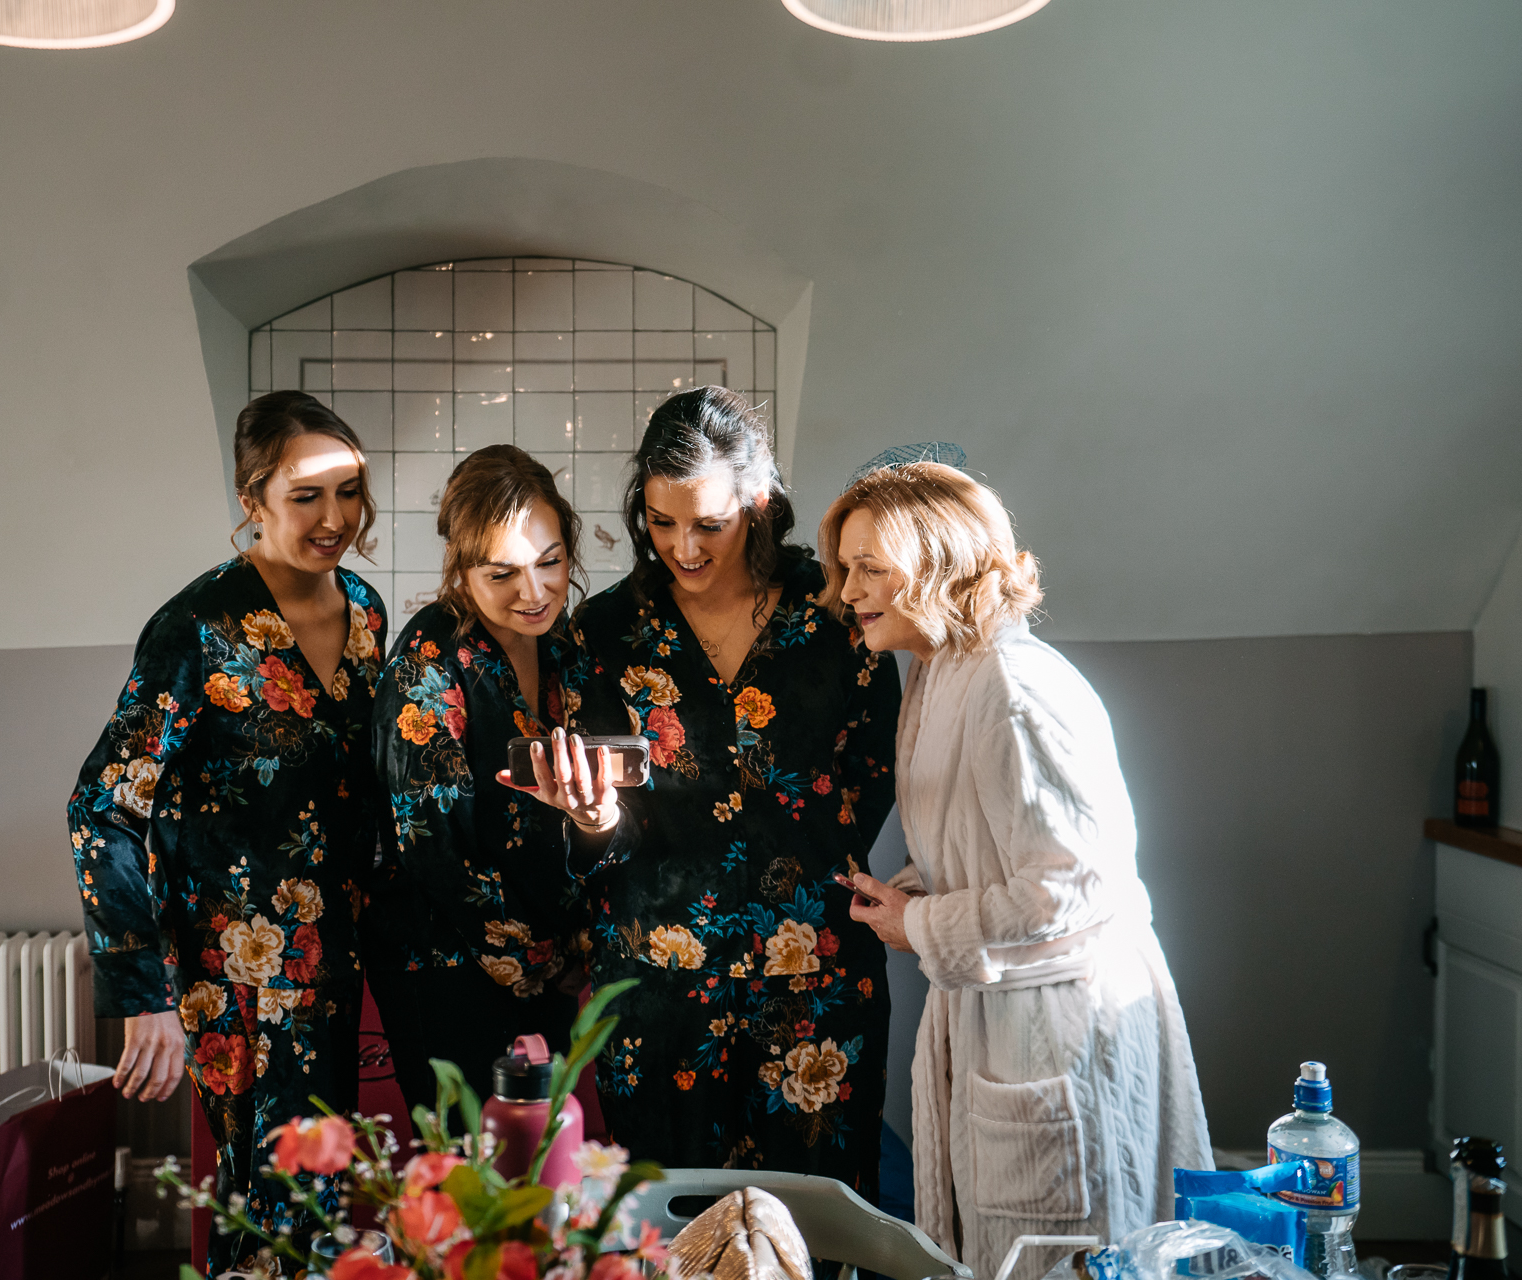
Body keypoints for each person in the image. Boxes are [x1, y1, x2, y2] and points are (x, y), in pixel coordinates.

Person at [819, 458, 1212, 1279]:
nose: (845, 590)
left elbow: (1071, 887)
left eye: (869, 568)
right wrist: (912, 896)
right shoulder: (943, 671)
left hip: (1056, 1033)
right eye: (844, 567)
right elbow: (996, 849)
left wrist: (919, 924)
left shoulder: (1013, 690)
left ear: (936, 564)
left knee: (1058, 1258)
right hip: (1009, 1017)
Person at [546, 386, 902, 1192]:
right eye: (663, 523)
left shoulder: (838, 614)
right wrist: (598, 822)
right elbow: (600, 813)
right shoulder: (603, 635)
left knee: (819, 1219)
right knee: (678, 1233)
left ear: (759, 503)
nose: (685, 547)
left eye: (709, 523)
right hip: (660, 989)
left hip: (813, 977)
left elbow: (876, 771)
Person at [67, 391, 387, 1277]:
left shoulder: (366, 610)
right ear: (252, 500)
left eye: (351, 492)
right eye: (308, 495)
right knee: (263, 1207)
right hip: (233, 972)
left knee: (317, 1204)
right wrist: (144, 996)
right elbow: (101, 807)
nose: (336, 519)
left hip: (334, 960)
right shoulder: (196, 629)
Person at [364, 445, 608, 1110]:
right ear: (462, 570)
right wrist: (536, 957)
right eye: (503, 574)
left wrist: (574, 941)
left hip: (550, 963)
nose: (534, 593)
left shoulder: (563, 651)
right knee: (472, 1181)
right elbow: (432, 849)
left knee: (541, 1170)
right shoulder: (429, 664)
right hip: (449, 966)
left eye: (551, 563)